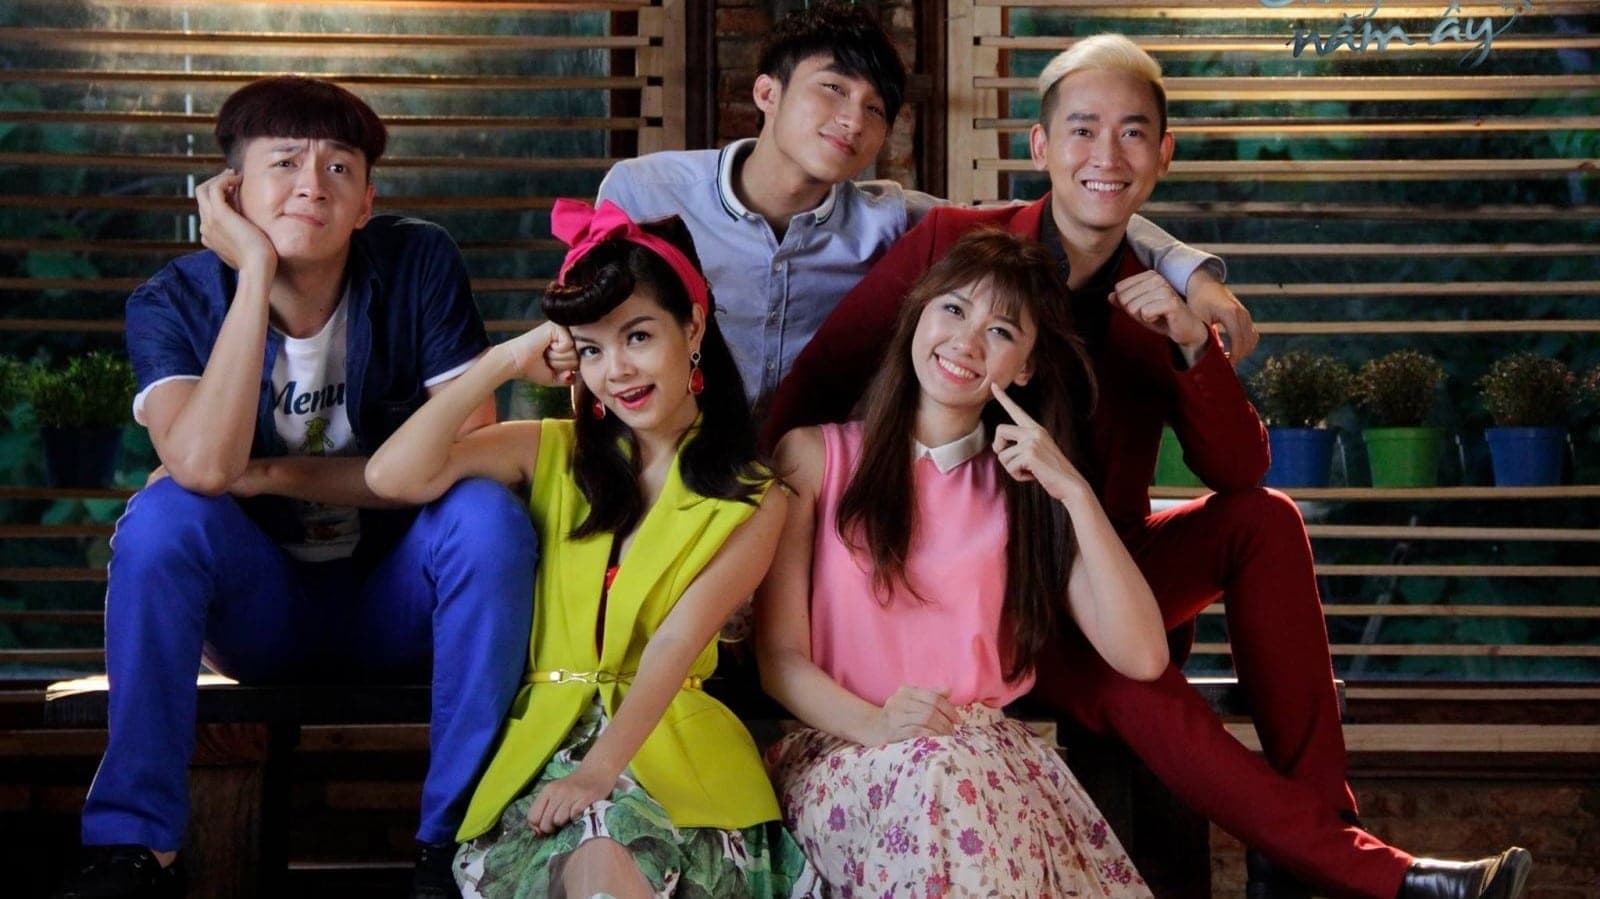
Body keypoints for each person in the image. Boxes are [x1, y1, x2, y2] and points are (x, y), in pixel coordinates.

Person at [764, 34, 1532, 899]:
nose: (1107, 155)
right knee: (1142, 691)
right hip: (1000, 595)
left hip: (1102, 563)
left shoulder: (1160, 297)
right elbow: (820, 382)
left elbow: (1238, 469)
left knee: (1266, 519)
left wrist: (1190, 343)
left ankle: (1319, 839)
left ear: (1163, 155)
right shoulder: (961, 249)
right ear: (1040, 146)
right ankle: (1369, 873)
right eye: (1083, 130)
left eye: (1132, 133)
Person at [57, 77, 537, 899]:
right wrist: (252, 272)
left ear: (367, 201)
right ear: (230, 194)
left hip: (397, 599)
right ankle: (133, 848)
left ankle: (460, 841)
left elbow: (463, 455)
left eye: (339, 167)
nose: (313, 184)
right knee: (163, 516)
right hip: (263, 613)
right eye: (284, 163)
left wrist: (270, 471)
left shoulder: (418, 262)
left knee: (486, 515)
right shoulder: (173, 300)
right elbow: (202, 471)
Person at [365, 199, 820, 899]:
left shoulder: (755, 497)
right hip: (537, 754)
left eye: (638, 336)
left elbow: (675, 642)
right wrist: (503, 361)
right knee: (585, 852)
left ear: (693, 327)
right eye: (592, 350)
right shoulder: (549, 451)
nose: (618, 370)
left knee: (607, 844)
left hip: (675, 754)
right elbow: (392, 476)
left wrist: (599, 771)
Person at [596, 0, 1256, 420]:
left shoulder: (891, 219)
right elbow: (588, 329)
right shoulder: (645, 193)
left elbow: (1076, 205)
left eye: (875, 108)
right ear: (767, 92)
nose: (852, 119)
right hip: (663, 457)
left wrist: (1193, 272)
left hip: (800, 479)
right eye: (833, 89)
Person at [758, 229, 1168, 897]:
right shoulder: (813, 457)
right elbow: (779, 659)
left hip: (983, 763)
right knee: (935, 779)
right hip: (845, 751)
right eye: (952, 308)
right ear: (918, 316)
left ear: (1026, 367)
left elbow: (1142, 654)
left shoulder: (1027, 491)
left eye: (1001, 330)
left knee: (947, 779)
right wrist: (879, 725)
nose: (967, 341)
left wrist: (1074, 492)